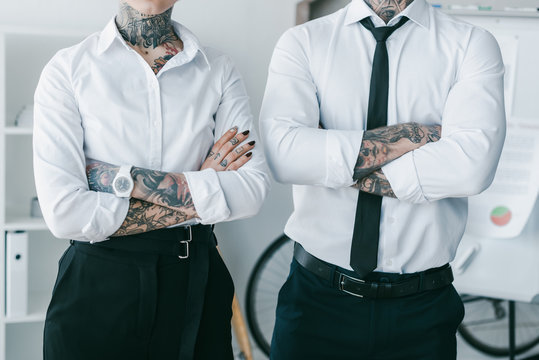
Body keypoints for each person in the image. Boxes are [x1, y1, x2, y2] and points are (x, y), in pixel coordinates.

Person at [260, 0, 505, 359]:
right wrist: (410, 136)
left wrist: (329, 159)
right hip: (316, 301)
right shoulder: (304, 41)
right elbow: (284, 156)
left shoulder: (471, 43)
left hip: (422, 310)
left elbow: (472, 166)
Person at [33, 1, 270, 359]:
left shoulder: (218, 68)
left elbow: (251, 191)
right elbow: (65, 211)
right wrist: (206, 185)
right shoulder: (67, 69)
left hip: (196, 282)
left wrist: (121, 178)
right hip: (99, 282)